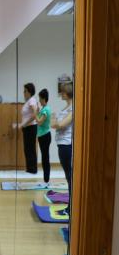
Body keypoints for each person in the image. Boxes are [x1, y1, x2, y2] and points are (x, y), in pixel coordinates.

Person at [52, 82, 73, 215]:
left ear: (67, 93)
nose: (60, 94)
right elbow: (54, 125)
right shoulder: (66, 108)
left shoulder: (73, 108)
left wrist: (54, 119)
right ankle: (70, 207)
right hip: (62, 146)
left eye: (62, 92)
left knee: (70, 177)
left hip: (67, 146)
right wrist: (55, 121)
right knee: (68, 177)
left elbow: (60, 125)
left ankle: (70, 209)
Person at [18, 83, 38, 174]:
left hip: (31, 128)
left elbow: (34, 115)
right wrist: (23, 124)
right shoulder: (28, 101)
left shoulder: (32, 100)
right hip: (27, 128)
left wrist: (24, 124)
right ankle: (30, 168)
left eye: (25, 91)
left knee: (30, 149)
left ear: (29, 92)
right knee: (27, 148)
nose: (23, 92)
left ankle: (33, 169)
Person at [35, 89, 52, 186]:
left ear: (44, 98)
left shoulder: (46, 109)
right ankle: (46, 179)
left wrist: (35, 113)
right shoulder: (43, 108)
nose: (39, 100)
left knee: (45, 158)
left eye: (40, 98)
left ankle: (46, 180)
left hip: (45, 136)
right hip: (42, 136)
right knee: (44, 158)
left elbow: (40, 121)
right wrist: (37, 112)